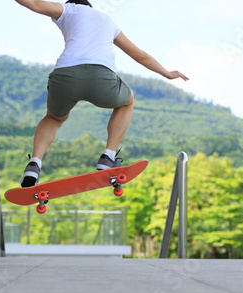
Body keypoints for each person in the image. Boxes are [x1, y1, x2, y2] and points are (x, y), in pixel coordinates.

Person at [15, 0, 189, 187]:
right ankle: (108, 156)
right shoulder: (108, 21)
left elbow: (34, 4)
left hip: (66, 76)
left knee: (54, 119)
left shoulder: (68, 9)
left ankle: (34, 163)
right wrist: (168, 74)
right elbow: (140, 55)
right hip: (102, 79)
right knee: (126, 101)